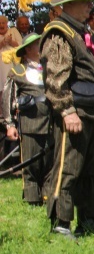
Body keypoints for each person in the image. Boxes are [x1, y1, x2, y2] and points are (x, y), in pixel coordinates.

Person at [39, 0, 94, 237]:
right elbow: (55, 78)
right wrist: (67, 111)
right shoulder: (60, 33)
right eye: (85, 3)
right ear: (70, 4)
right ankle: (61, 224)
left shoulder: (83, 34)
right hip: (74, 112)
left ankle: (89, 222)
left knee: (90, 170)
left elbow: (93, 75)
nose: (90, 9)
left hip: (92, 111)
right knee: (68, 167)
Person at [1, 33, 53, 205]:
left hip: (49, 123)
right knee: (31, 163)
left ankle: (48, 196)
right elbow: (7, 99)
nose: (41, 46)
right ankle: (32, 198)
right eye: (37, 44)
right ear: (28, 50)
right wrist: (9, 124)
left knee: (48, 162)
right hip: (29, 122)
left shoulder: (48, 69)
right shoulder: (17, 71)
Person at [0, 15, 23, 113]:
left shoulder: (13, 31)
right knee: (2, 88)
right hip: (1, 65)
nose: (1, 25)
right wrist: (3, 42)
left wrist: (11, 41)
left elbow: (21, 45)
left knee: (14, 86)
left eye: (3, 23)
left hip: (13, 63)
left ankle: (15, 110)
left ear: (7, 23)